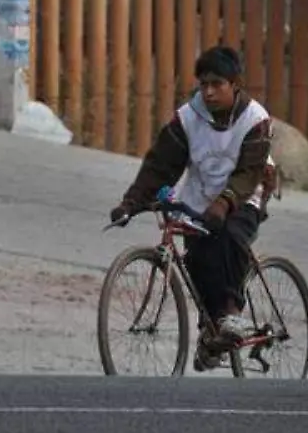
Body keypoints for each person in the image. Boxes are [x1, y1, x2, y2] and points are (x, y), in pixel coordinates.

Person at [108, 46, 273, 372]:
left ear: (235, 83)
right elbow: (161, 164)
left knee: (230, 236)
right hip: (199, 201)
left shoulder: (256, 119)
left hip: (244, 196)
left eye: (217, 84)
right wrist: (131, 202)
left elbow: (248, 172)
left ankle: (232, 312)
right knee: (197, 260)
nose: (208, 92)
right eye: (203, 84)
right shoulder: (187, 118)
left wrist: (225, 203)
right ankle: (210, 332)